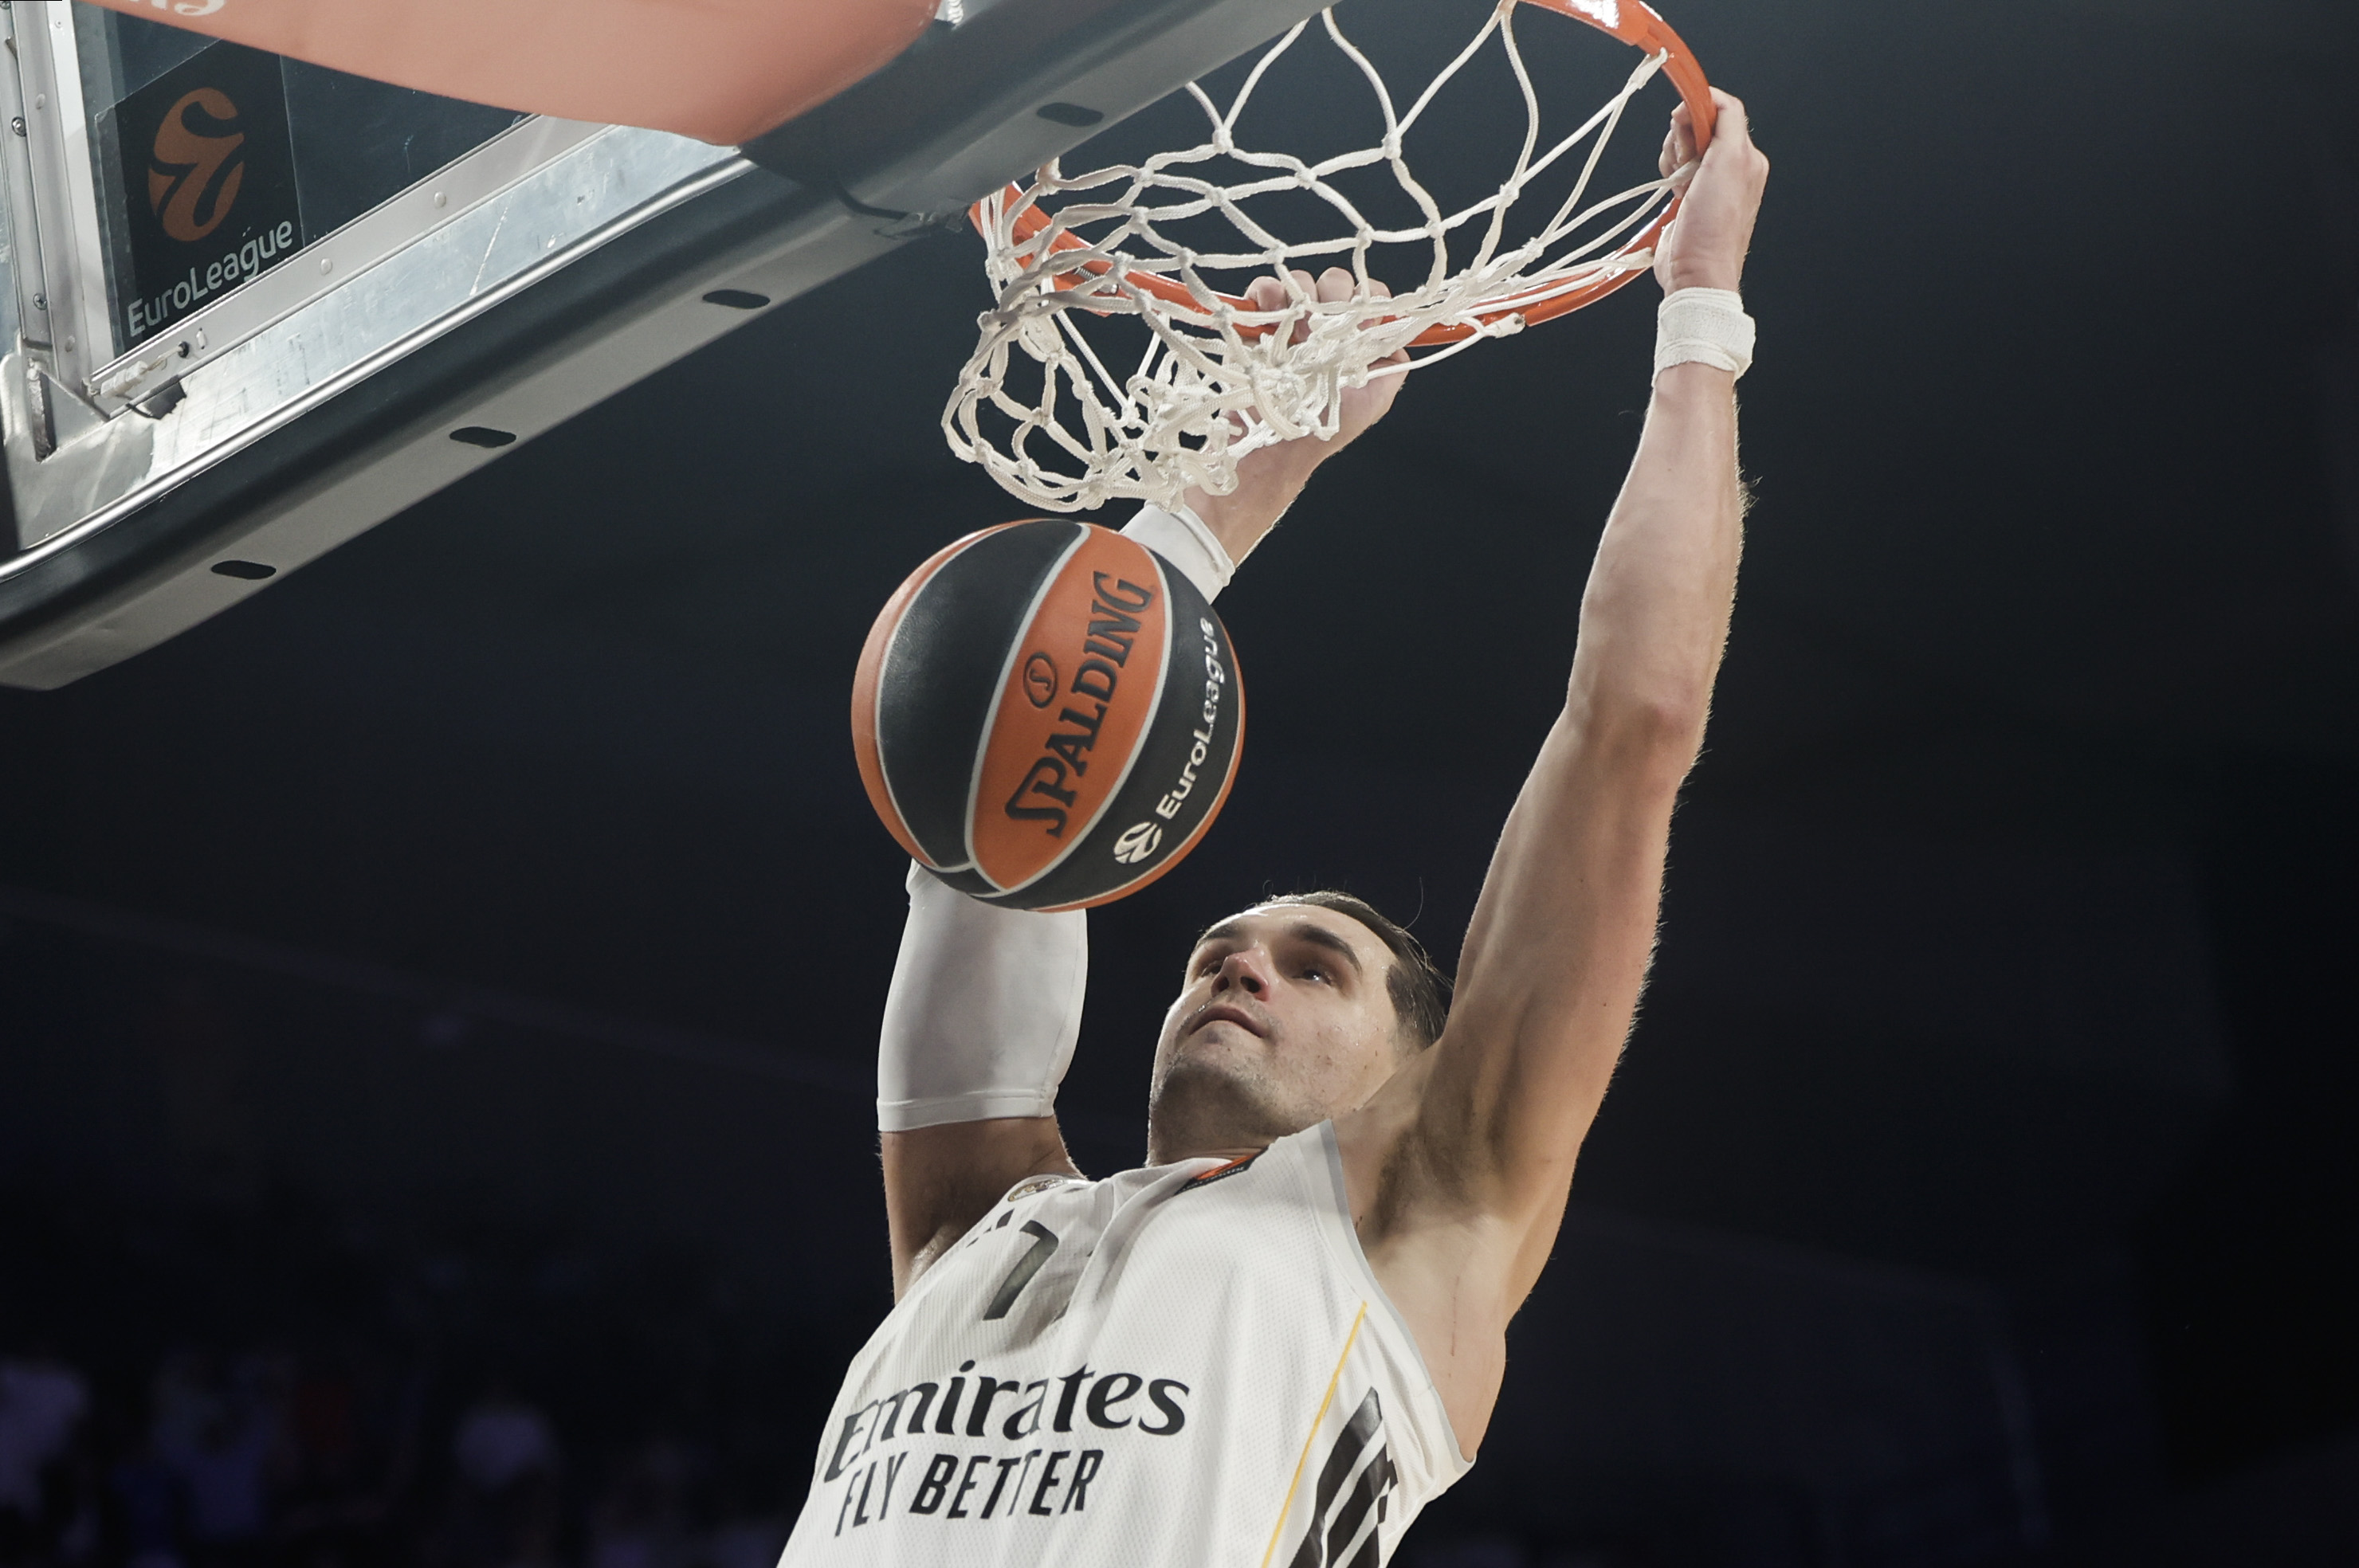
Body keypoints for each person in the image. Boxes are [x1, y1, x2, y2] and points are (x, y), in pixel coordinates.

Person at [781, 91, 1769, 1567]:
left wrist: (1701, 314)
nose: (1237, 969)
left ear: (1421, 1070)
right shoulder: (976, 1229)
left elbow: (1630, 735)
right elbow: (1003, 824)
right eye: (1218, 951)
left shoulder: (1422, 1220)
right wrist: (1250, 461)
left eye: (1318, 970)